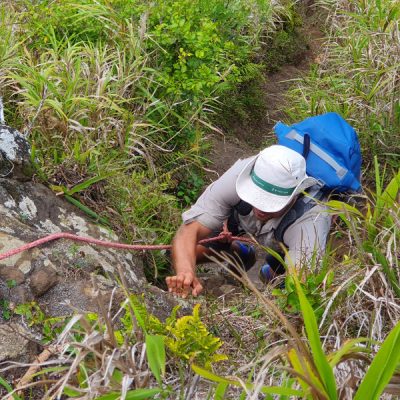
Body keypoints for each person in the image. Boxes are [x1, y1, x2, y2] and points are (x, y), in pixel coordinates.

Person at [166, 145, 332, 298]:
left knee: (273, 279)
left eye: (270, 204)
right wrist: (185, 272)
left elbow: (302, 287)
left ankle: (271, 270)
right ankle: (242, 254)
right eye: (256, 197)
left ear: (294, 195)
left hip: (285, 243)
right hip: (239, 219)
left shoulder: (311, 221)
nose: (260, 208)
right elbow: (188, 231)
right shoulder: (238, 176)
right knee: (185, 253)